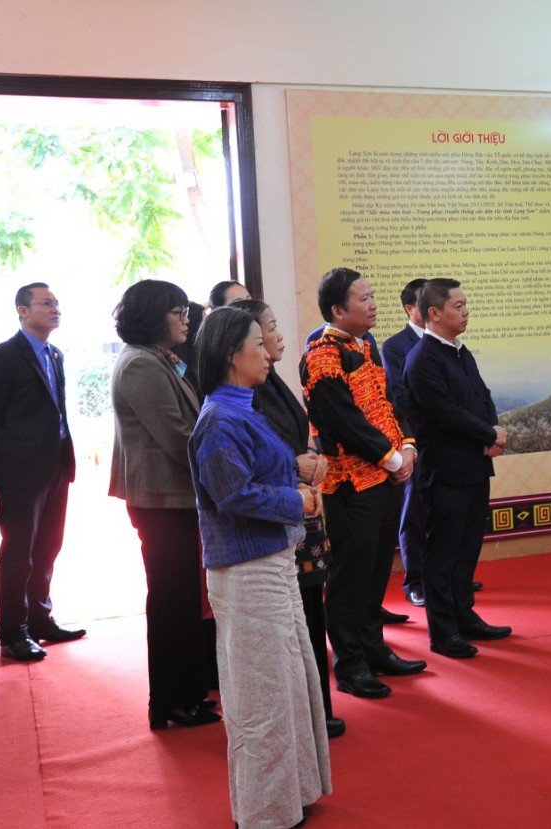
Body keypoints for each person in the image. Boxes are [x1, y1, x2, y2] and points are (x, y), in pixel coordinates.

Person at [190, 307, 331, 829]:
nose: (269, 350)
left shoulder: (242, 408)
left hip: (271, 560)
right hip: (246, 568)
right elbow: (232, 494)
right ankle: (265, 813)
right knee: (262, 696)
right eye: (258, 340)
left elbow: (257, 471)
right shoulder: (219, 418)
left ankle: (292, 795)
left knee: (289, 682)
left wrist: (297, 470)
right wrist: (299, 501)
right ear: (231, 353)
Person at [301, 267, 425, 698]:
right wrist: (391, 458)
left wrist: (407, 447)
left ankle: (375, 649)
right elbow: (342, 420)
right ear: (337, 309)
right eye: (364, 298)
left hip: (387, 475)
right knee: (351, 575)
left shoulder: (366, 343)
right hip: (350, 482)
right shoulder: (321, 353)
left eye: (373, 296)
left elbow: (389, 401)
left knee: (376, 570)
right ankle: (350, 663)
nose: (373, 304)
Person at [230, 298, 344, 739]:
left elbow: (300, 432)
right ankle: (305, 712)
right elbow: (259, 464)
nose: (276, 338)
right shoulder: (238, 400)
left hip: (301, 503)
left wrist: (312, 457)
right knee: (296, 622)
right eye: (267, 331)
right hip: (280, 513)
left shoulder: (272, 379)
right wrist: (298, 467)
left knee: (312, 611)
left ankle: (317, 707)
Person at [109, 280, 218, 730]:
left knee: (183, 598)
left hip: (174, 496)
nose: (186, 318)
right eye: (177, 311)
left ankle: (189, 691)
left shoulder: (160, 358)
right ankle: (172, 700)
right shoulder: (141, 365)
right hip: (162, 499)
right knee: (173, 600)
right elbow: (177, 437)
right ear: (154, 316)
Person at [0, 283, 83, 661]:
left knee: (48, 547)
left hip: (55, 467)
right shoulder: (1, 357)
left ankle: (40, 619)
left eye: (57, 302)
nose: (55, 308)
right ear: (22, 310)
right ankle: (13, 632)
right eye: (46, 303)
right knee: (19, 552)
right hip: (18, 473)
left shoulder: (55, 354)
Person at [403, 278, 510, 659]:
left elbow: (482, 396)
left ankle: (465, 616)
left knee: (467, 548)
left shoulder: (461, 352)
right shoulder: (422, 358)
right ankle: (443, 631)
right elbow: (445, 413)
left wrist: (493, 432)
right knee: (444, 552)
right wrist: (488, 433)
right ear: (434, 313)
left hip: (474, 465)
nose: (466, 311)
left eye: (466, 305)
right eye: (459, 306)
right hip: (445, 469)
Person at [381, 278, 430, 607]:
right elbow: (398, 396)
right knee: (413, 512)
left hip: (447, 440)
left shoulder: (446, 340)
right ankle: (416, 581)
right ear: (409, 309)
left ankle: (445, 574)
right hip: (414, 438)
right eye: (424, 302)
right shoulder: (394, 345)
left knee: (444, 510)